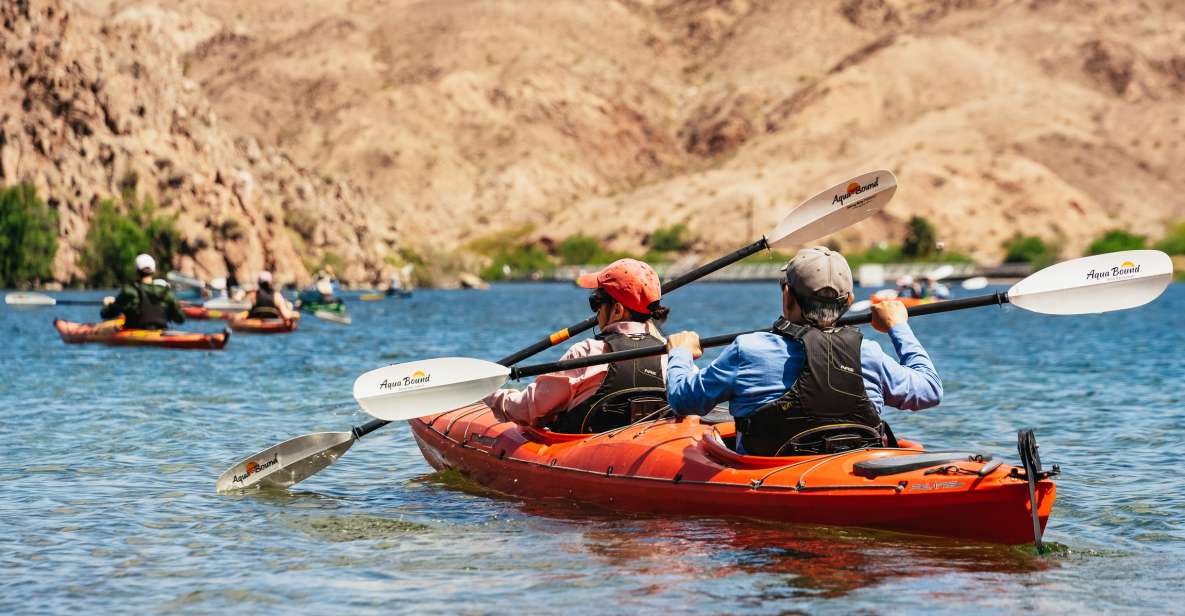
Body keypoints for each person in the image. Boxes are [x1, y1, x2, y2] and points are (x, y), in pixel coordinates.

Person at [664, 247, 942, 456]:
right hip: (848, 471)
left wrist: (681, 354)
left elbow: (684, 401)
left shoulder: (748, 350)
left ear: (787, 298)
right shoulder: (867, 353)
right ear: (850, 303)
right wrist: (898, 326)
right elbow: (930, 390)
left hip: (769, 473)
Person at [484, 258, 670, 433]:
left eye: (596, 302)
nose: (596, 312)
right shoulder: (670, 354)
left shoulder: (587, 352)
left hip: (590, 450)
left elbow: (527, 409)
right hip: (644, 447)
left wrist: (489, 395)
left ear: (617, 310)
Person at [100, 254, 186, 330]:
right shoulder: (166, 292)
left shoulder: (129, 292)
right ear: (154, 270)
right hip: (161, 332)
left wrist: (107, 304)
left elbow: (106, 314)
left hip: (134, 333)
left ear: (136, 270)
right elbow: (180, 319)